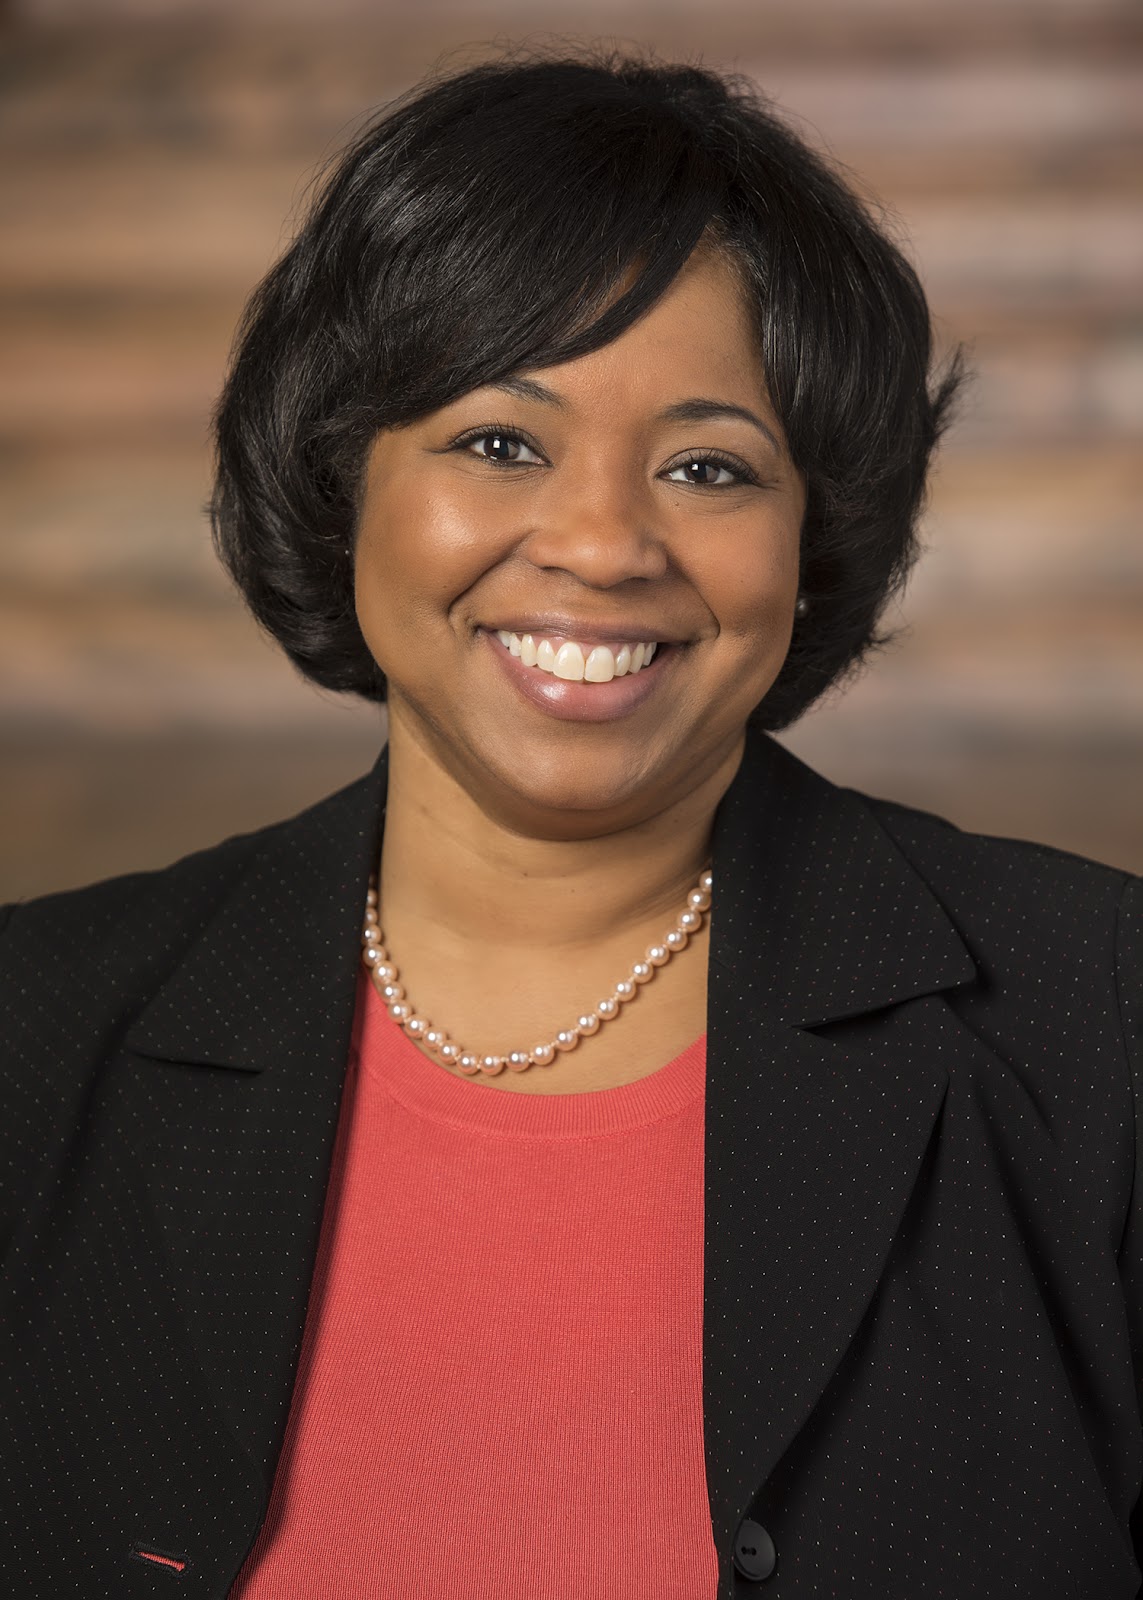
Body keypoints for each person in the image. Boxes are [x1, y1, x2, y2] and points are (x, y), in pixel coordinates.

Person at [2, 48, 1141, 1600]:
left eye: (708, 467)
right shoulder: (32, 1031)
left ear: (811, 538)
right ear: (342, 482)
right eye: (499, 443)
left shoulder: (1104, 1023)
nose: (603, 545)